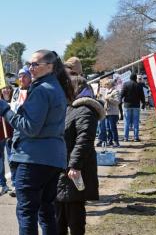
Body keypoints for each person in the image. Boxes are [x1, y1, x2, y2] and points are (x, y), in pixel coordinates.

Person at [0, 50, 74, 235]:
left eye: (35, 64)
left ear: (50, 67)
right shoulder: (55, 86)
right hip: (51, 159)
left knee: (27, 212)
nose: (30, 68)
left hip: (34, 159)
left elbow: (29, 127)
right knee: (46, 211)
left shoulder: (42, 90)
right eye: (29, 64)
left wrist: (5, 110)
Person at [56, 76, 104, 235]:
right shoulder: (72, 107)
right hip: (64, 168)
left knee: (74, 214)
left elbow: (84, 139)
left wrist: (75, 165)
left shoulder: (85, 110)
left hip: (74, 170)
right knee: (60, 214)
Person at [9, 66, 32, 197]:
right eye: (20, 76)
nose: (21, 78)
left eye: (24, 76)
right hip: (16, 129)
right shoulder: (16, 91)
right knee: (13, 159)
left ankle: (23, 187)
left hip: (27, 129)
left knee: (23, 160)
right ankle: (16, 185)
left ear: (30, 78)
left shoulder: (33, 91)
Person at [120, 73, 145, 142]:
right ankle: (136, 137)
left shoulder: (125, 84)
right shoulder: (139, 85)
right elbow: (142, 96)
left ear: (130, 78)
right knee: (136, 122)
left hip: (127, 105)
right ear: (135, 78)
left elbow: (122, 94)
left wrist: (120, 101)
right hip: (136, 105)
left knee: (126, 122)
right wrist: (143, 103)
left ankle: (126, 138)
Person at [0, 85, 14, 195]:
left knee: (12, 159)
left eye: (8, 88)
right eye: (4, 88)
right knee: (0, 160)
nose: (6, 90)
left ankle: (14, 184)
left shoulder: (15, 99)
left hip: (11, 134)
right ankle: (3, 185)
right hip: (1, 134)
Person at [104, 79, 120, 147]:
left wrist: (109, 99)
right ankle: (110, 141)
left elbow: (117, 102)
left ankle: (116, 142)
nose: (106, 85)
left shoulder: (115, 91)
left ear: (110, 84)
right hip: (107, 112)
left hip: (113, 113)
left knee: (113, 128)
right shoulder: (106, 91)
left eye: (107, 84)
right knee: (108, 128)